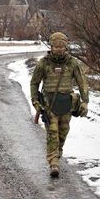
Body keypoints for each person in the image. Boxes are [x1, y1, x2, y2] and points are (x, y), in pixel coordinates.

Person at [30, 32, 89, 178]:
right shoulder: (43, 63)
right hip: (49, 106)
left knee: (63, 133)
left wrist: (85, 101)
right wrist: (36, 101)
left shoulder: (72, 63)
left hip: (66, 106)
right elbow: (34, 83)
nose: (58, 49)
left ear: (66, 46)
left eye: (61, 46)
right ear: (51, 46)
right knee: (52, 133)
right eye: (55, 46)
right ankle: (53, 163)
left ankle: (58, 153)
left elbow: (82, 82)